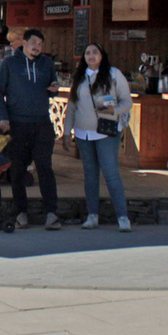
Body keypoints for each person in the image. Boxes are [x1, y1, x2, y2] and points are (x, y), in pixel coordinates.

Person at [0, 28, 62, 230]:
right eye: (33, 42)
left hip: (41, 123)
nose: (37, 46)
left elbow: (51, 88)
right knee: (18, 170)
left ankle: (52, 213)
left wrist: (54, 89)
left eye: (40, 43)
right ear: (24, 43)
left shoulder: (46, 64)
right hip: (18, 123)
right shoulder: (9, 64)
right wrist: (3, 118)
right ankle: (20, 213)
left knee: (45, 167)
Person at [63, 42, 133, 231]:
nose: (91, 56)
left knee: (111, 174)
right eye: (87, 53)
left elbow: (127, 101)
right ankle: (92, 215)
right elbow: (72, 106)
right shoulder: (80, 78)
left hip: (106, 131)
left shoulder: (113, 74)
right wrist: (66, 131)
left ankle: (123, 217)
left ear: (102, 55)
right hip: (83, 133)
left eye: (95, 52)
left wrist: (115, 110)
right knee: (90, 176)